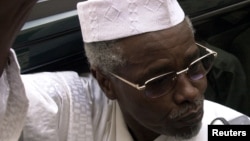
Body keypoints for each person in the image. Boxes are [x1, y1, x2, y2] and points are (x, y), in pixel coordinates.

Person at [0, 0, 249, 141]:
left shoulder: (228, 128)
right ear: (106, 83)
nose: (190, 92)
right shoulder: (70, 104)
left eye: (195, 66)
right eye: (159, 81)